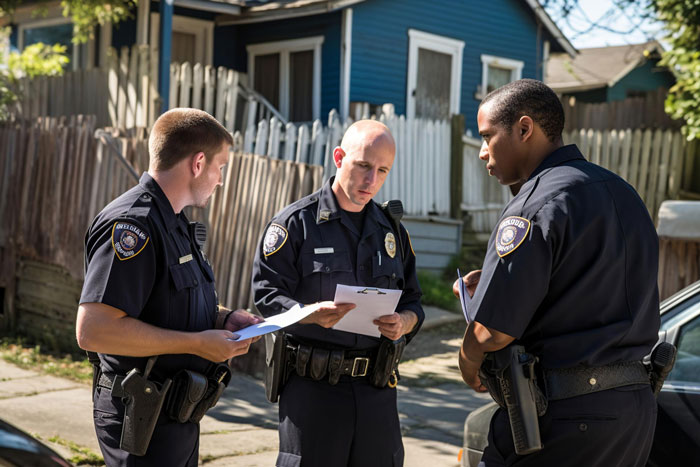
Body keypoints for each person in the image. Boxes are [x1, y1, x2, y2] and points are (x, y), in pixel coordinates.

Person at [455, 79, 660, 466]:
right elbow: (589, 290)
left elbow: (492, 331)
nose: (483, 152)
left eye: (487, 136)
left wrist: (467, 360)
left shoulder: (532, 205)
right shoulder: (624, 193)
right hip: (632, 413)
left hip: (561, 419)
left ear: (524, 128)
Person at [76, 108, 261, 466]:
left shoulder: (175, 224)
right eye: (220, 167)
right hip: (140, 416)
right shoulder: (133, 225)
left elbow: (168, 303)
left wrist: (225, 320)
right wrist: (196, 344)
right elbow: (93, 330)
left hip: (177, 413)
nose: (221, 179)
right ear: (198, 163)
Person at [252, 119, 424, 467]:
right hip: (313, 393)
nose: (371, 180)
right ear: (339, 156)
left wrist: (404, 322)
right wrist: (308, 313)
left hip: (377, 391)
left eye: (382, 170)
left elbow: (413, 301)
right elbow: (266, 295)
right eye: (363, 165)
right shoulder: (295, 224)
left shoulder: (392, 232)